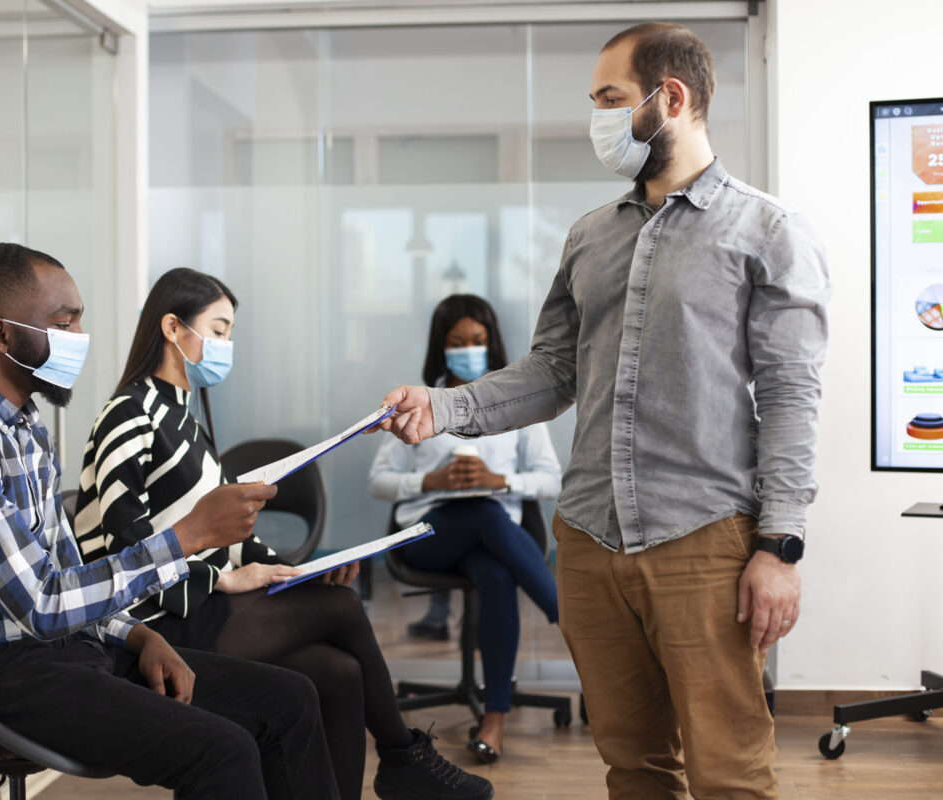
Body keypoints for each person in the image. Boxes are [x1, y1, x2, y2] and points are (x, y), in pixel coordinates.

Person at [375, 22, 829, 799]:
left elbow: (791, 395)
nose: (600, 118)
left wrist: (779, 547)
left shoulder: (768, 232)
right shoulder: (589, 238)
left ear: (671, 98)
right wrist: (442, 406)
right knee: (632, 766)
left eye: (611, 99)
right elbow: (552, 373)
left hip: (705, 540)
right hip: (587, 540)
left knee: (731, 774)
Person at [0, 243, 342, 800]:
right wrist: (188, 536)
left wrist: (139, 635)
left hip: (62, 654)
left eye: (80, 319)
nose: (79, 338)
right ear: (0, 336)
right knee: (223, 748)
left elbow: (68, 573)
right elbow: (43, 604)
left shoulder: (25, 432)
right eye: (63, 322)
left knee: (290, 699)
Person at [74, 268, 493, 800]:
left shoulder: (185, 418)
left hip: (194, 606)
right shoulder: (128, 415)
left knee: (338, 672)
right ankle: (403, 755)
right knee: (340, 608)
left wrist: (293, 569)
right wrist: (220, 580)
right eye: (219, 330)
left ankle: (395, 763)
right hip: (154, 622)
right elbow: (122, 549)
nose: (228, 345)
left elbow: (229, 538)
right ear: (174, 329)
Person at [369, 294, 563, 763]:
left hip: (492, 544)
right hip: (427, 537)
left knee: (494, 566)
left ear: (491, 343)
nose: (469, 349)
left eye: (477, 340)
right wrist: (430, 481)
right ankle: (571, 620)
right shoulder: (419, 404)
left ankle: (493, 720)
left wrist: (500, 481)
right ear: (442, 348)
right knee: (484, 514)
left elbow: (552, 478)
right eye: (458, 342)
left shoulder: (517, 406)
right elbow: (379, 482)